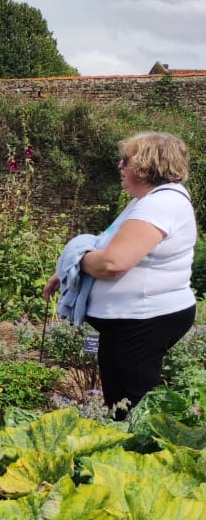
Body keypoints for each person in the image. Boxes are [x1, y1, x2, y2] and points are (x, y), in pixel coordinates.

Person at [43, 132, 197, 416]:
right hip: (139, 320)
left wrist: (76, 262)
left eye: (125, 160)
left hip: (143, 320)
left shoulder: (159, 205)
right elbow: (108, 244)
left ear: (145, 166)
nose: (119, 166)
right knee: (124, 398)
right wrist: (64, 270)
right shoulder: (151, 200)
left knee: (128, 409)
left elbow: (112, 263)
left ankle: (136, 455)